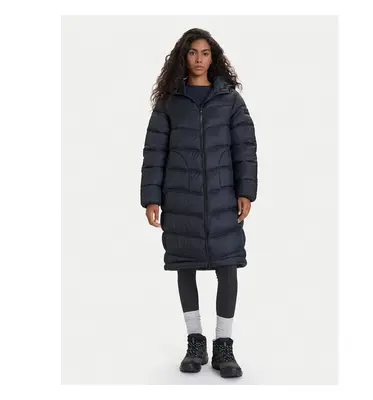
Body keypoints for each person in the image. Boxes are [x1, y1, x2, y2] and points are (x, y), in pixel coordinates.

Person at [140, 28, 258, 378]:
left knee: (228, 266)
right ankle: (195, 341)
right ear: (183, 56)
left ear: (214, 57)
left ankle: (224, 345)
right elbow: (154, 152)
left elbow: (245, 148)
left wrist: (246, 191)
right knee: (185, 265)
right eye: (193, 52)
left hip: (223, 198)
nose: (199, 59)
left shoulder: (230, 100)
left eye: (205, 53)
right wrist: (151, 198)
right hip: (180, 199)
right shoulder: (169, 102)